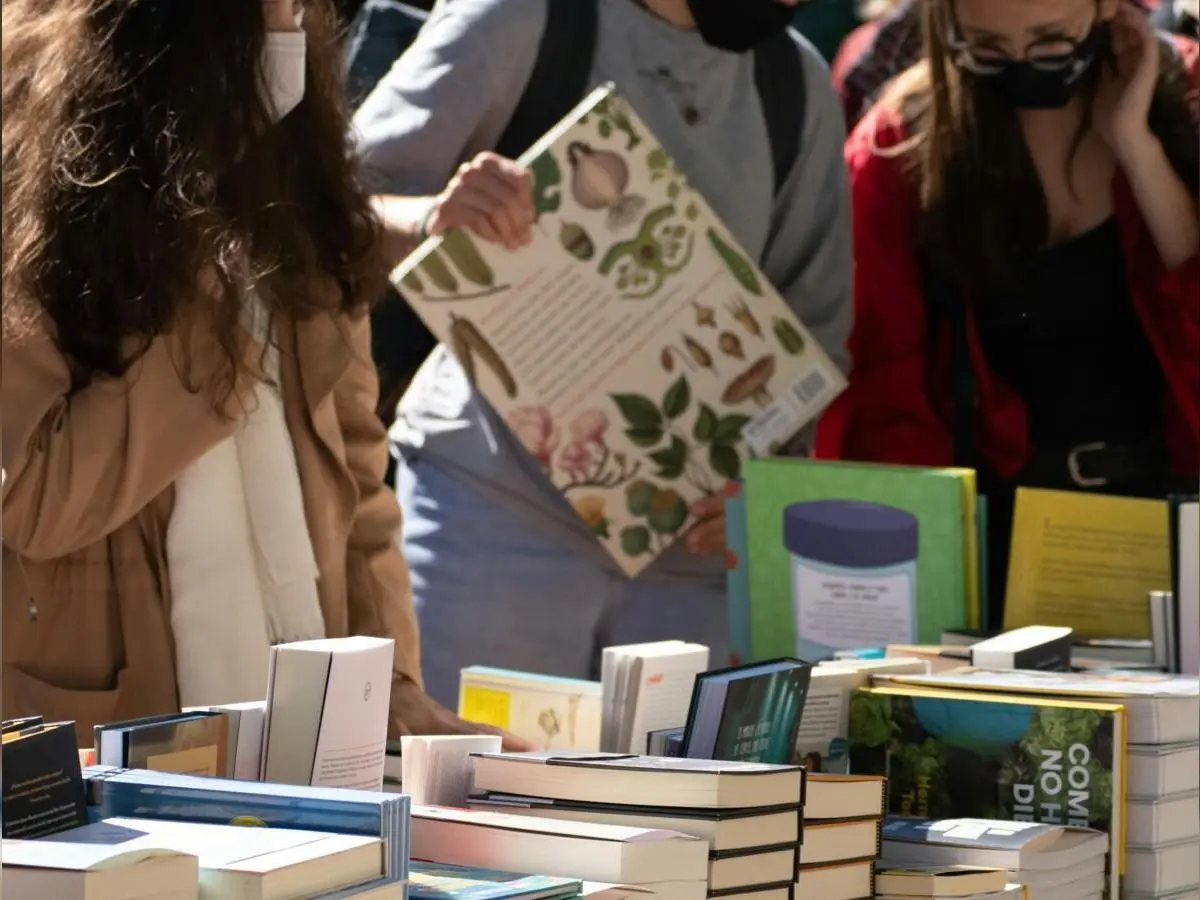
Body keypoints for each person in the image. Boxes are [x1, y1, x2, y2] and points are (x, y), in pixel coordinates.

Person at [1, 0, 525, 748]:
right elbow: (35, 498)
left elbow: (356, 474)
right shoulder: (35, 185)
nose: (289, 25)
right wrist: (199, 284)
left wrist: (392, 684)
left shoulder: (293, 182)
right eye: (265, 8)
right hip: (107, 747)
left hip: (300, 736)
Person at [353, 0, 853, 705]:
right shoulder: (520, 18)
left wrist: (760, 484)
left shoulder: (796, 80)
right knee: (465, 803)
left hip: (692, 560)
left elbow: (815, 332)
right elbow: (324, 211)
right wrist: (436, 217)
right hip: (490, 522)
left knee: (679, 815)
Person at [815, 0, 1199, 626]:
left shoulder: (1185, 96)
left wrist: (1137, 145)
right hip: (994, 550)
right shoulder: (901, 142)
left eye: (1053, 41)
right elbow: (885, 394)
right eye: (987, 48)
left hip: (1173, 527)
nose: (1023, 67)